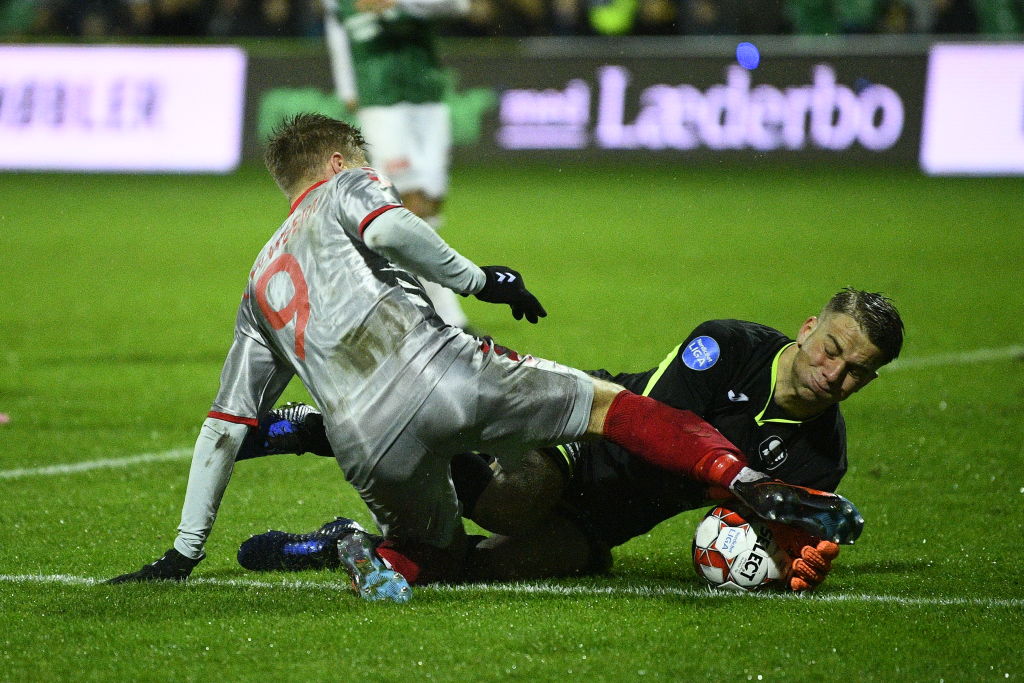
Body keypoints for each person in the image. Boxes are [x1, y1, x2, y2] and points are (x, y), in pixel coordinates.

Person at [106, 114, 860, 601]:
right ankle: (750, 481)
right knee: (606, 408)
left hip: (369, 445)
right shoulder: (345, 188)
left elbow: (221, 428)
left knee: (449, 562)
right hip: (443, 374)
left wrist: (182, 553)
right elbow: (396, 229)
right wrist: (482, 279)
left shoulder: (256, 286)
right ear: (338, 161)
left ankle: (347, 528)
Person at [234, 288, 902, 591]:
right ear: (810, 325)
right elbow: (659, 430)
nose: (834, 373)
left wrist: (788, 557)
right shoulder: (729, 346)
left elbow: (758, 530)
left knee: (473, 569)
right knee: (515, 498)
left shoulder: (823, 453)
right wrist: (747, 490)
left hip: (614, 516)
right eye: (833, 349)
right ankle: (328, 427)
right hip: (582, 431)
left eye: (857, 372)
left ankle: (343, 542)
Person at [322, 0, 472, 329]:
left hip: (428, 99)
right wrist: (347, 86)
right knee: (410, 205)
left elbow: (460, 6)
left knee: (429, 208)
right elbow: (338, 32)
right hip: (381, 103)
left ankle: (380, 299)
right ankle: (449, 317)